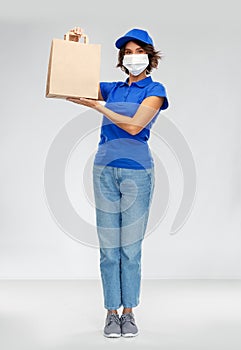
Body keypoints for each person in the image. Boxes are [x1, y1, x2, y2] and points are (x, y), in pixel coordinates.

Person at [66, 26, 169, 338]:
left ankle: (129, 313)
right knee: (109, 249)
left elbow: (136, 126)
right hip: (104, 171)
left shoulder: (156, 90)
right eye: (128, 52)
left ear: (150, 57)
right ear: (121, 58)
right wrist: (76, 46)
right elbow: (70, 82)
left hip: (138, 173)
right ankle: (111, 312)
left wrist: (99, 107)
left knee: (130, 249)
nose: (133, 57)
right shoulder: (113, 88)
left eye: (140, 52)